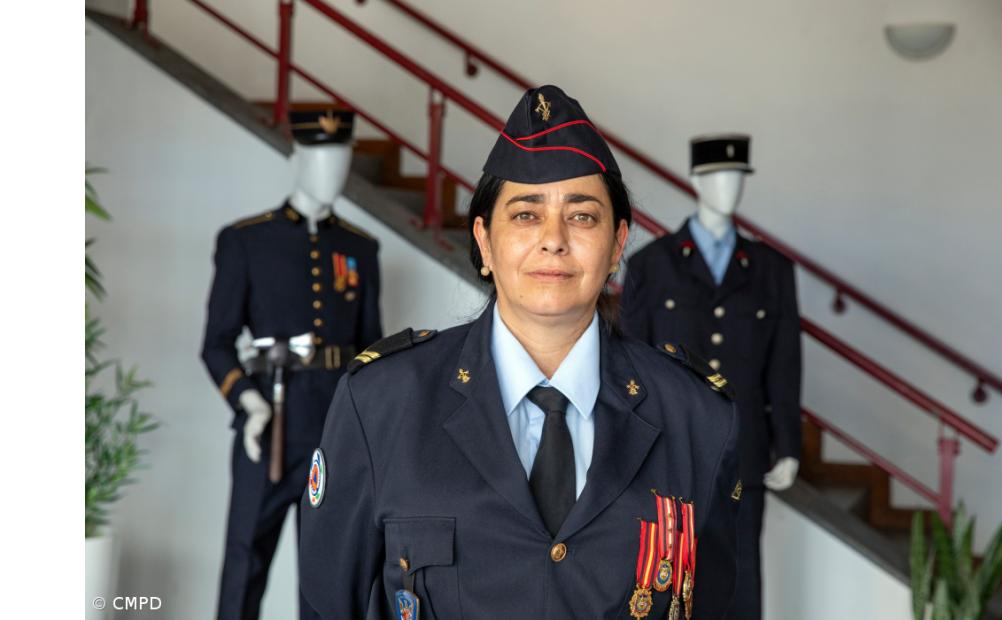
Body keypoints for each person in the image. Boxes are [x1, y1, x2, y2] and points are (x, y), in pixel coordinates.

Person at [299, 86, 742, 620]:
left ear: (617, 245)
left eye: (582, 216)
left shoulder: (698, 415)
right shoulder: (381, 403)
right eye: (526, 215)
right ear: (484, 242)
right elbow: (327, 604)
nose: (554, 239)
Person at [201, 108, 383, 620]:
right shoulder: (246, 241)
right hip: (268, 423)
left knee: (327, 569)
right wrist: (248, 402)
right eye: (321, 158)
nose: (332, 172)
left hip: (335, 431)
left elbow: (371, 349)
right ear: (297, 159)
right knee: (245, 558)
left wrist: (368, 429)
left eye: (341, 159)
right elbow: (216, 344)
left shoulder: (360, 248)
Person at [619, 134, 802, 620]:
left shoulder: (771, 270)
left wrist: (788, 445)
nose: (729, 188)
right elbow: (631, 367)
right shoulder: (651, 266)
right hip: (669, 450)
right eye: (718, 177)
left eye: (738, 178)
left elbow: (784, 365)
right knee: (664, 581)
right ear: (696, 182)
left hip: (745, 447)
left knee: (740, 583)